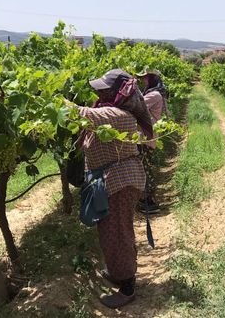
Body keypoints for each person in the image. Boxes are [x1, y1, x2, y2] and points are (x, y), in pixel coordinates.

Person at [73, 69, 153, 308]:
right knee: (112, 231)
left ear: (118, 92)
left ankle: (127, 286)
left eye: (104, 88)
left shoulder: (118, 114)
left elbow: (81, 114)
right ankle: (119, 272)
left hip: (120, 181)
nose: (98, 91)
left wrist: (45, 100)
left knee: (118, 233)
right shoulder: (112, 111)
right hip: (114, 181)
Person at [136, 68, 168, 214]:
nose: (143, 80)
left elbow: (136, 106)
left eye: (146, 78)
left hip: (145, 138)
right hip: (145, 137)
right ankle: (146, 200)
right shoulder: (153, 93)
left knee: (145, 169)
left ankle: (149, 202)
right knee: (144, 168)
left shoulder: (154, 95)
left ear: (152, 79)